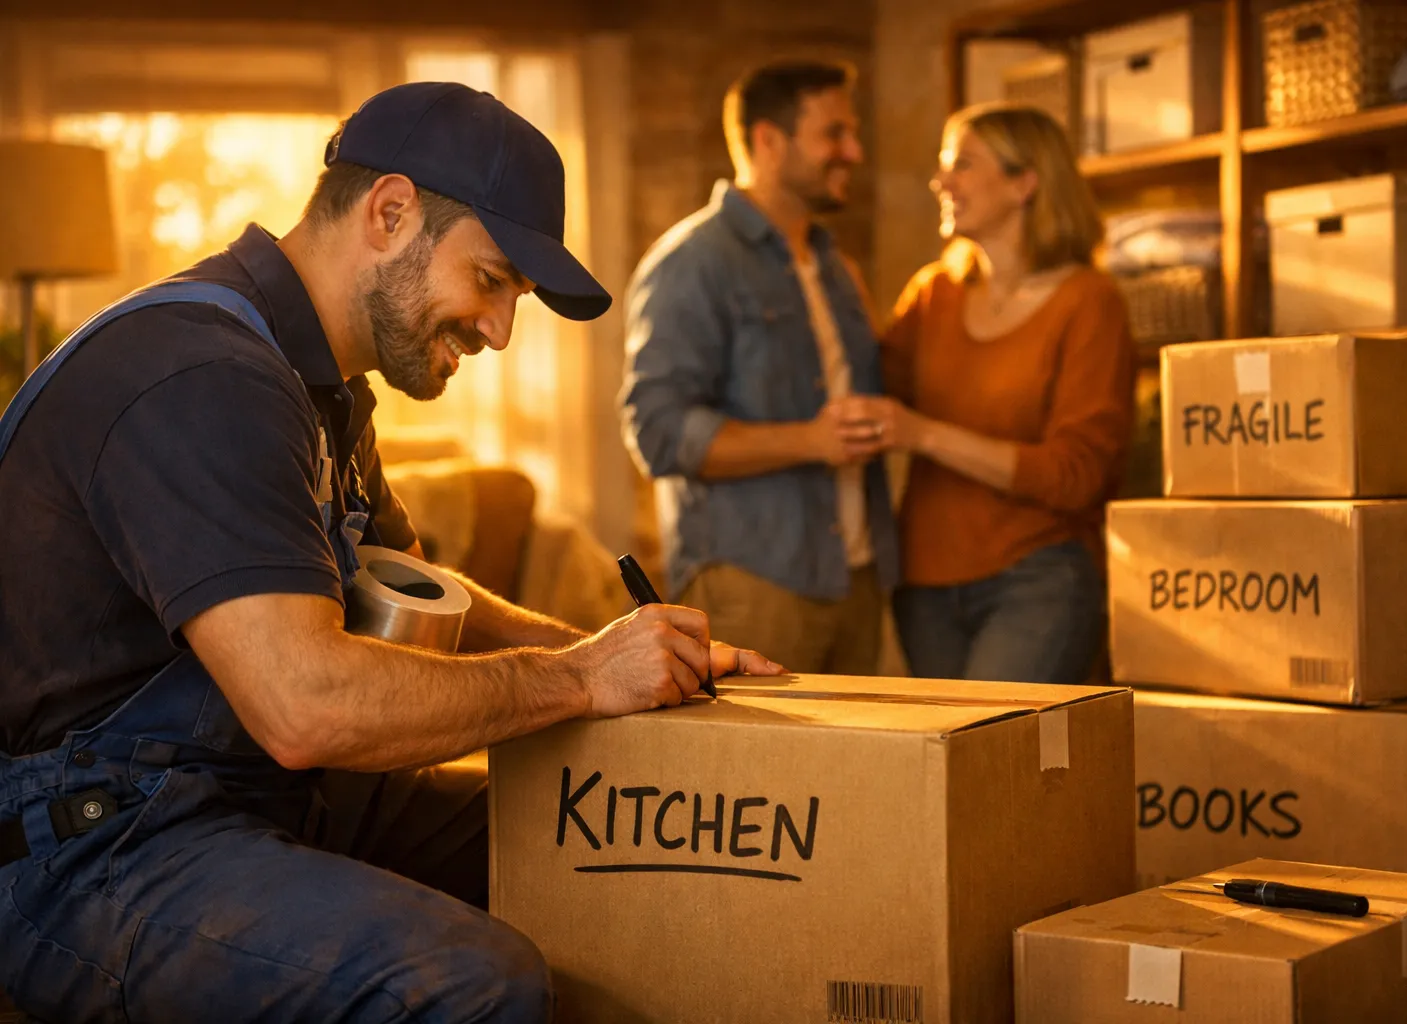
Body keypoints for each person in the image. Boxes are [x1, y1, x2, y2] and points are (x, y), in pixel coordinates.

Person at [0, 82, 779, 1023]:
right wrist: (580, 679)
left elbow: (419, 590)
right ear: (390, 212)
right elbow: (304, 704)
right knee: (474, 983)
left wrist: (631, 656)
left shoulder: (321, 387)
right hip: (92, 844)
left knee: (620, 847)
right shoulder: (202, 376)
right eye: (492, 280)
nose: (500, 331)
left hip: (252, 791)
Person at [620, 60, 899, 675]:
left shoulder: (834, 266)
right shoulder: (692, 262)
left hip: (856, 579)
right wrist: (810, 441)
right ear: (769, 141)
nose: (854, 152)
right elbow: (657, 432)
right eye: (834, 134)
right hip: (754, 581)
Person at [851, 103, 1135, 685]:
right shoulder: (934, 293)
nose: (941, 181)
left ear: (1024, 183)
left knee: (991, 741)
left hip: (1039, 578)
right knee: (946, 747)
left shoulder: (1089, 302)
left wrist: (925, 435)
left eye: (962, 164)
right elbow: (871, 390)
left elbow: (1076, 475)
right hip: (924, 587)